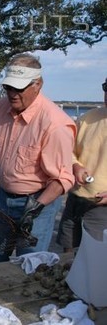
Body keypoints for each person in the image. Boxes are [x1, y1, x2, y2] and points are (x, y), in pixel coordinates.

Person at [0, 53, 76, 264]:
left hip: (38, 202)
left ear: (38, 84)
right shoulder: (0, 108)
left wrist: (35, 208)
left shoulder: (56, 124)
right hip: (3, 198)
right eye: (8, 88)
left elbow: (63, 179)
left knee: (29, 264)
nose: (12, 94)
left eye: (19, 88)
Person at [56, 77, 107, 252]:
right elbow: (67, 151)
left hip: (102, 209)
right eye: (106, 87)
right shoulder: (87, 119)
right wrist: (76, 166)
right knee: (67, 254)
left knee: (95, 258)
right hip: (75, 200)